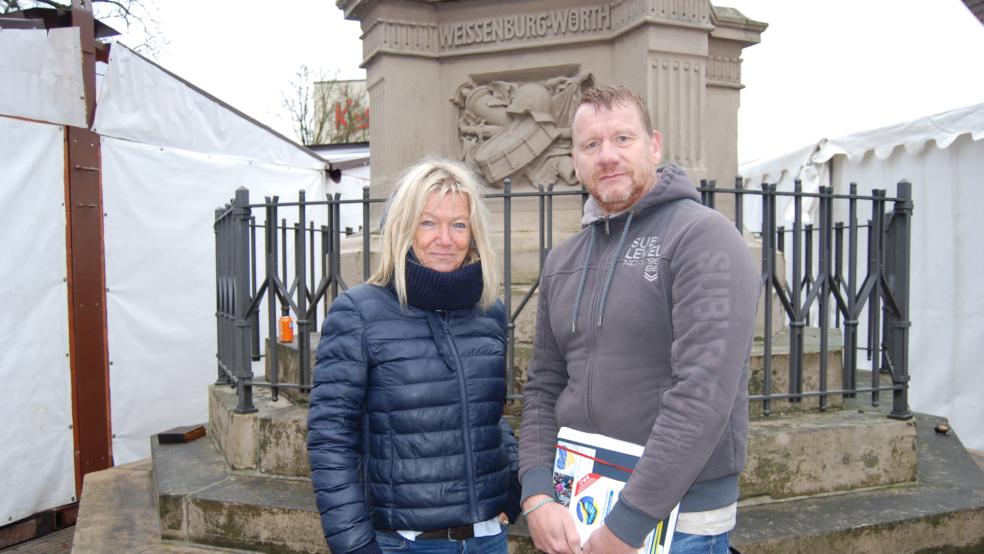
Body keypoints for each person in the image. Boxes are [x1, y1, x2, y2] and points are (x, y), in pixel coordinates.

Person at [518, 84, 760, 554]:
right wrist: (535, 493)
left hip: (677, 523)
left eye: (622, 139)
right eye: (591, 144)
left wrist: (627, 526)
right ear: (575, 158)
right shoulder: (563, 260)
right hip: (578, 509)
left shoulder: (703, 238)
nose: (607, 155)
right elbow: (544, 387)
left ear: (655, 144)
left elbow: (702, 395)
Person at [307, 158, 521, 554]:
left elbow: (490, 416)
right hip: (409, 545)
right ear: (404, 228)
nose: (446, 238)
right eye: (428, 223)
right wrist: (354, 546)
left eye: (459, 224)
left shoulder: (489, 311)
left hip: (489, 539)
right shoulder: (359, 312)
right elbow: (330, 440)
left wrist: (511, 487)